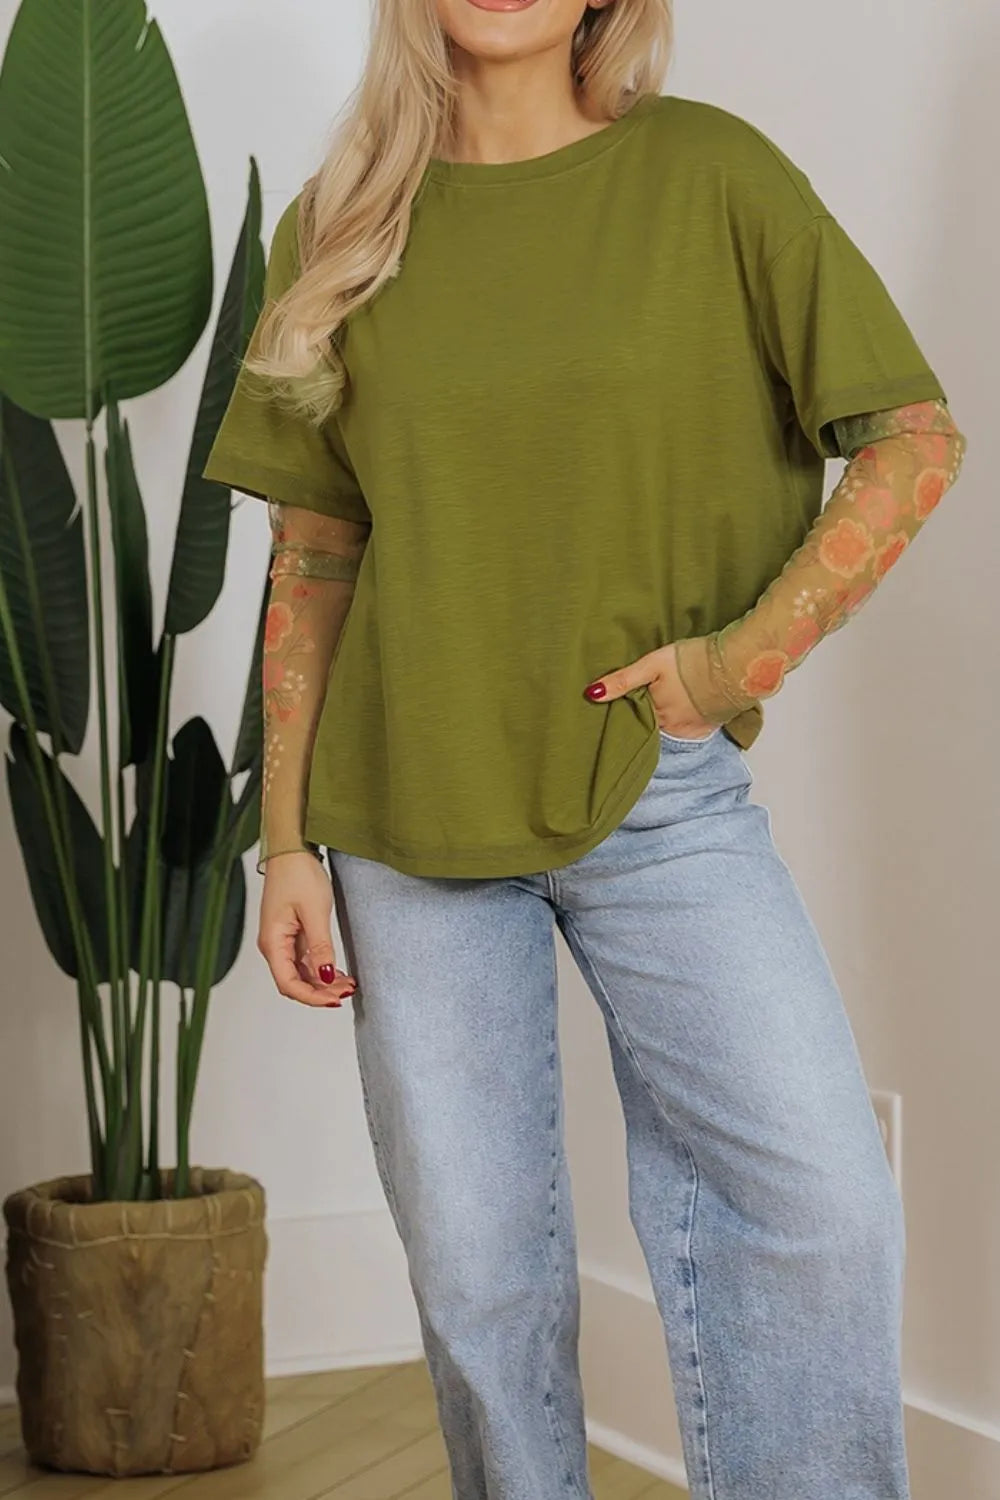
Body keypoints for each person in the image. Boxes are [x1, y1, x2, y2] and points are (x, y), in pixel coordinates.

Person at [202, 3, 967, 1496]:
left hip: (659, 796)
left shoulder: (712, 176)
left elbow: (912, 436)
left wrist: (735, 663)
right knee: (478, 1279)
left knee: (820, 1201)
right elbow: (316, 554)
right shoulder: (340, 224)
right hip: (403, 809)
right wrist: (285, 841)